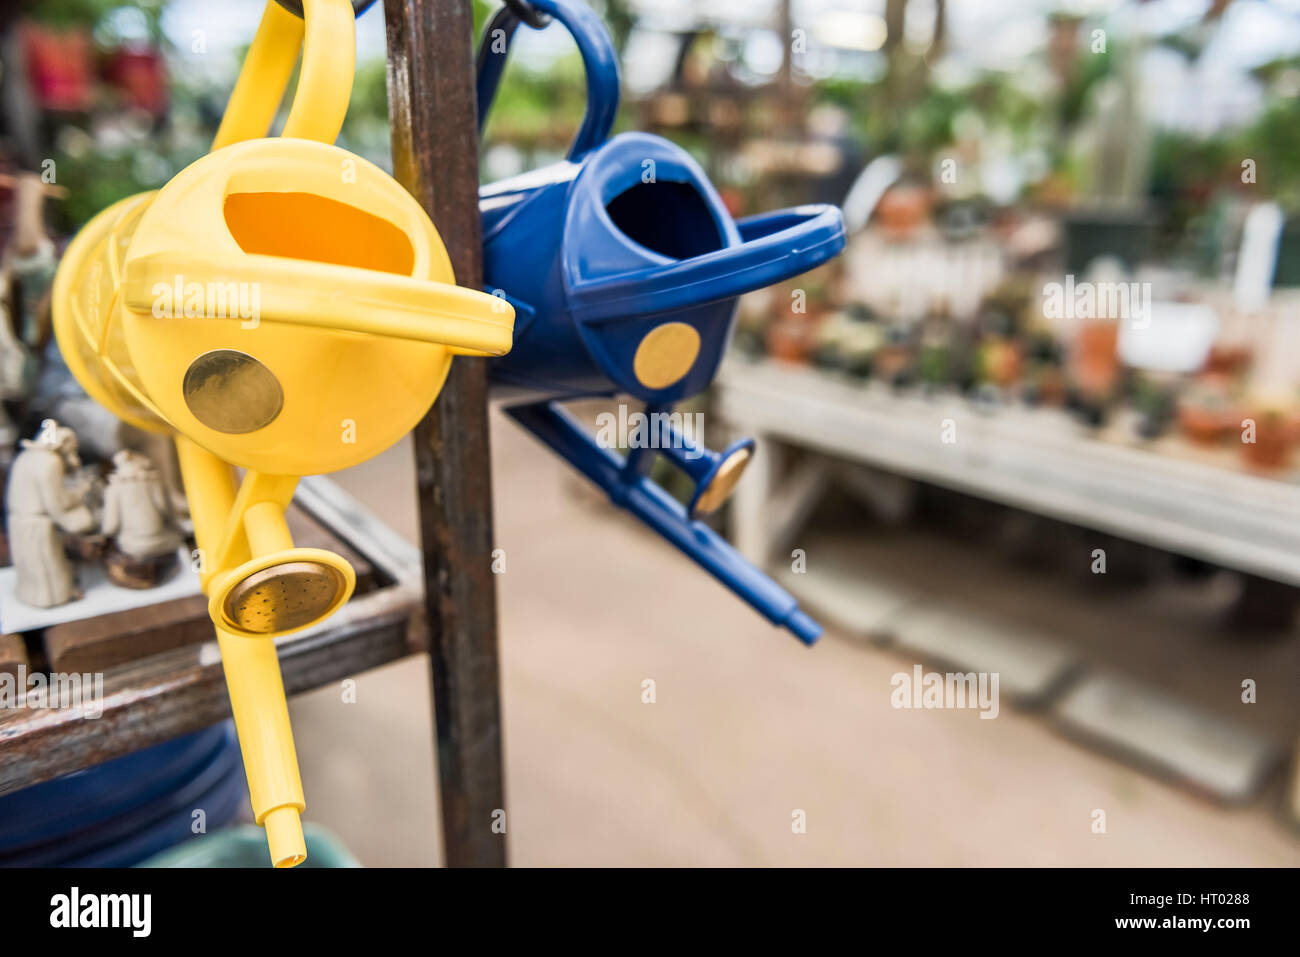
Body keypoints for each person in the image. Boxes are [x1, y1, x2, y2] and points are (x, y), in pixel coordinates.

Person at [5, 419, 95, 606]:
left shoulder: (26, 456)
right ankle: (54, 598)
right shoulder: (50, 462)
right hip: (37, 525)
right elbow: (57, 504)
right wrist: (80, 492)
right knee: (47, 567)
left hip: (19, 521)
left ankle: (35, 595)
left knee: (32, 568)